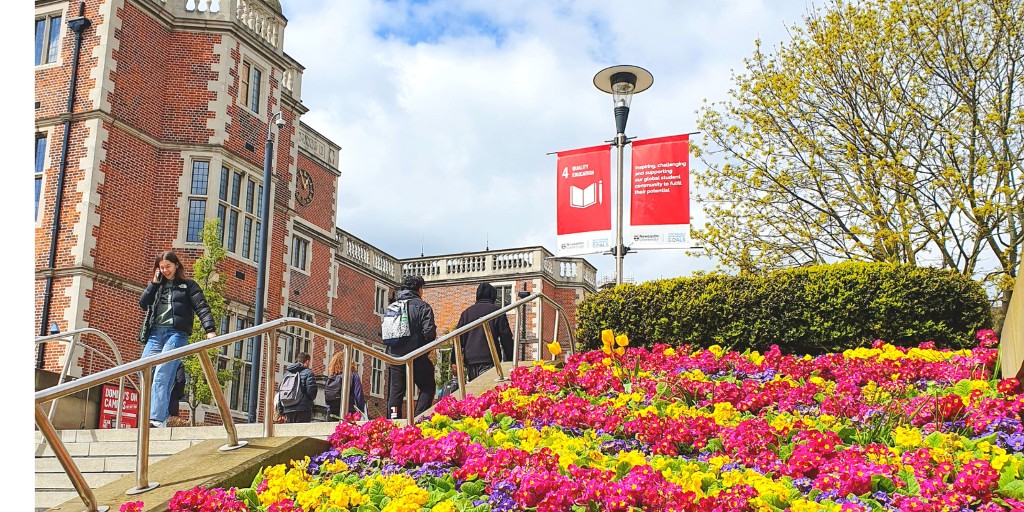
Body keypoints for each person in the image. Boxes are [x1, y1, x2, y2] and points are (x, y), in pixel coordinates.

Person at [138, 250, 216, 428]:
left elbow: (202, 307)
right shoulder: (157, 286)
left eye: (168, 267)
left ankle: (157, 420)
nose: (165, 270)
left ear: (176, 266)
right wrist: (153, 284)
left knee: (162, 373)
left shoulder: (188, 286)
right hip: (156, 334)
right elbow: (143, 303)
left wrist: (209, 329)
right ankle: (161, 415)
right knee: (143, 370)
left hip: (176, 334)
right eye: (161, 267)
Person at [385, 275, 437, 419]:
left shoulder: (392, 306)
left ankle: (393, 419)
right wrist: (425, 349)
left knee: (396, 391)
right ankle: (419, 416)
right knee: (427, 386)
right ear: (419, 289)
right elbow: (430, 333)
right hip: (417, 354)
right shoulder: (422, 307)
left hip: (394, 355)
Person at [456, 283, 514, 381]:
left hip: (470, 359)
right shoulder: (496, 311)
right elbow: (505, 336)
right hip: (489, 358)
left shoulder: (466, 313)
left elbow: (457, 337)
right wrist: (510, 358)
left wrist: (454, 360)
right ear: (493, 295)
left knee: (474, 390)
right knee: (487, 390)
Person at [326, 353, 367, 419]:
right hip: (349, 412)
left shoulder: (331, 377)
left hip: (332, 412)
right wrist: (361, 411)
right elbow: (359, 395)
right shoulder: (353, 375)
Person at [280, 352, 318, 423]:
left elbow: (280, 392)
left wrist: (281, 411)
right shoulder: (308, 373)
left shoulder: (287, 373)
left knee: (290, 432)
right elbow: (312, 392)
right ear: (307, 362)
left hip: (288, 409)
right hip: (303, 409)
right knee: (302, 432)